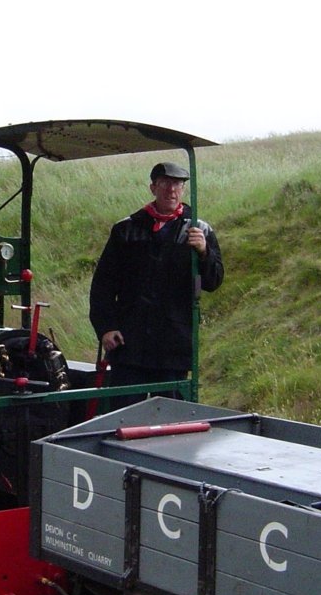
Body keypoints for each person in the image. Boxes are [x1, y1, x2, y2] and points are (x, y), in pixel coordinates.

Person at [89, 161, 224, 409]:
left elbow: (213, 281)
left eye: (177, 185)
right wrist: (106, 327)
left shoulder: (199, 230)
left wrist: (204, 252)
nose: (171, 191)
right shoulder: (125, 229)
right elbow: (103, 285)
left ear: (183, 190)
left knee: (173, 418)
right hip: (129, 343)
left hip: (173, 345)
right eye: (165, 184)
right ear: (153, 188)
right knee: (122, 415)